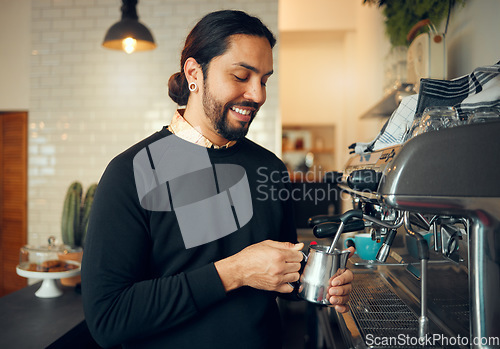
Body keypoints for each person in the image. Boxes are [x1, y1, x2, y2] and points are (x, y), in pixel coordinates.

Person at [82, 10, 354, 349]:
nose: (258, 95)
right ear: (195, 73)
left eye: (265, 80)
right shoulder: (131, 172)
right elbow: (109, 318)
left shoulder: (268, 167)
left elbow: (285, 274)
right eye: (241, 76)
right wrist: (234, 271)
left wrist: (320, 281)